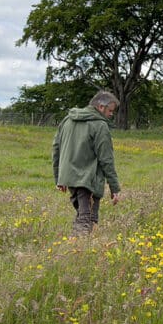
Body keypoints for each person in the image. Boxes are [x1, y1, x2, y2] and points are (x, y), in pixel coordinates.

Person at [52, 90, 122, 236]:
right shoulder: (100, 125)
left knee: (84, 216)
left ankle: (79, 248)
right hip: (88, 179)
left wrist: (59, 177)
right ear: (101, 107)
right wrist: (114, 187)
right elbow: (106, 159)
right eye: (110, 110)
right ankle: (77, 250)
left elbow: (56, 148)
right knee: (88, 219)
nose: (111, 114)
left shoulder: (67, 120)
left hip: (69, 178)